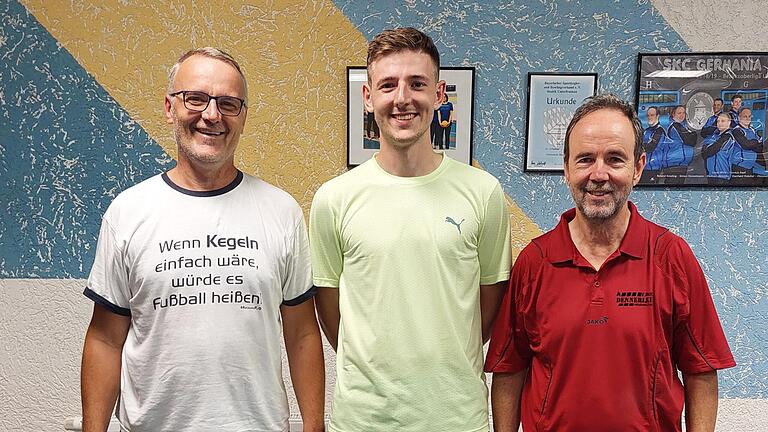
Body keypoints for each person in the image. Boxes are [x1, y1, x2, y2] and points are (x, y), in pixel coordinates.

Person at [80, 48, 324, 432]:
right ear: (169, 107)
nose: (212, 115)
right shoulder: (128, 212)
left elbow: (302, 333)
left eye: (228, 103)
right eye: (195, 98)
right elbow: (105, 339)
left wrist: (314, 426)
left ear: (243, 118)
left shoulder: (282, 211)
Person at [486, 94, 735, 432]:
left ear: (638, 168)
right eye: (585, 159)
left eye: (615, 159)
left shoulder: (671, 256)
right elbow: (510, 368)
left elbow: (701, 369)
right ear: (566, 169)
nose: (598, 174)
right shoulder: (535, 262)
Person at [310, 27, 511, 432]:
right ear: (368, 98)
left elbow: (488, 310)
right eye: (388, 85)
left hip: (456, 419)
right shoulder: (333, 199)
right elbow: (332, 315)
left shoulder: (483, 192)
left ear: (439, 95)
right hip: (363, 421)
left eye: (417, 84)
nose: (402, 98)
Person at [730, 107, 768, 178]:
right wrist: (756, 142)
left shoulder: (752, 129)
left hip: (755, 166)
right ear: (739, 117)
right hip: (741, 166)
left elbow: (760, 147)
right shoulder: (736, 131)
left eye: (749, 116)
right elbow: (746, 145)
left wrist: (753, 144)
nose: (748, 118)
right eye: (745, 116)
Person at [701, 111, 737, 183]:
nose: (719, 123)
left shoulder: (728, 137)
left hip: (721, 176)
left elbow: (709, 152)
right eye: (718, 121)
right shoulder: (715, 135)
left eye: (723, 121)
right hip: (711, 174)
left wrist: (707, 148)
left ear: (729, 122)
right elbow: (703, 151)